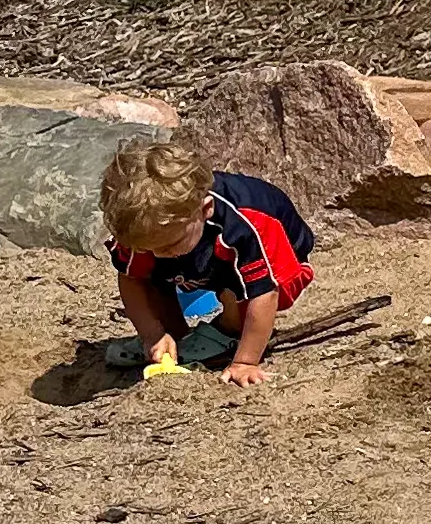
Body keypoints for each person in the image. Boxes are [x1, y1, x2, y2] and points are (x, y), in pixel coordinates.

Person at [102, 138, 314, 387]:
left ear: (205, 210)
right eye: (150, 248)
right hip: (198, 248)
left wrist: (246, 362)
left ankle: (228, 332)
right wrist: (152, 333)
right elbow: (131, 277)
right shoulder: (146, 228)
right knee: (146, 270)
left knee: (240, 287)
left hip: (277, 257)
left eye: (169, 245)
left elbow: (265, 294)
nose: (159, 254)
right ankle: (172, 339)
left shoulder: (242, 227)